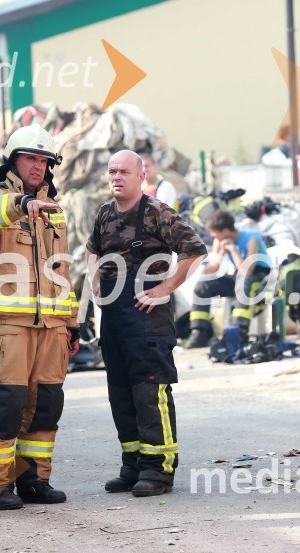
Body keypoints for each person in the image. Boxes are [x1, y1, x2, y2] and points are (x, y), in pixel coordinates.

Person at [0, 124, 80, 510]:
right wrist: (18, 204)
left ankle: (34, 481)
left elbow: (61, 271)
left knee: (46, 406)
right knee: (7, 406)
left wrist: (73, 324)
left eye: (44, 161)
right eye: (31, 158)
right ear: (13, 160)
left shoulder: (54, 210)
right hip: (6, 326)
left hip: (52, 328)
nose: (38, 166)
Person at [86, 150, 206, 497]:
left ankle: (158, 469)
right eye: (112, 171)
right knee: (121, 392)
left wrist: (166, 287)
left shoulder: (156, 212)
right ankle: (133, 465)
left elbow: (194, 250)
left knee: (149, 391)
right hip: (114, 318)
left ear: (141, 176)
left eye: (124, 171)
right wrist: (95, 277)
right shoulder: (105, 213)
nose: (117, 177)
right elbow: (92, 249)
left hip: (148, 320)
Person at [184, 209, 272, 349]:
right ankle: (200, 333)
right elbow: (211, 271)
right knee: (203, 285)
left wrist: (233, 250)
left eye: (214, 232)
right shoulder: (218, 241)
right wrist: (219, 253)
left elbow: (248, 271)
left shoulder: (251, 239)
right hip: (240, 276)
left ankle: (239, 331)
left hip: (259, 277)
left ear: (224, 231)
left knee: (244, 281)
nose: (212, 235)